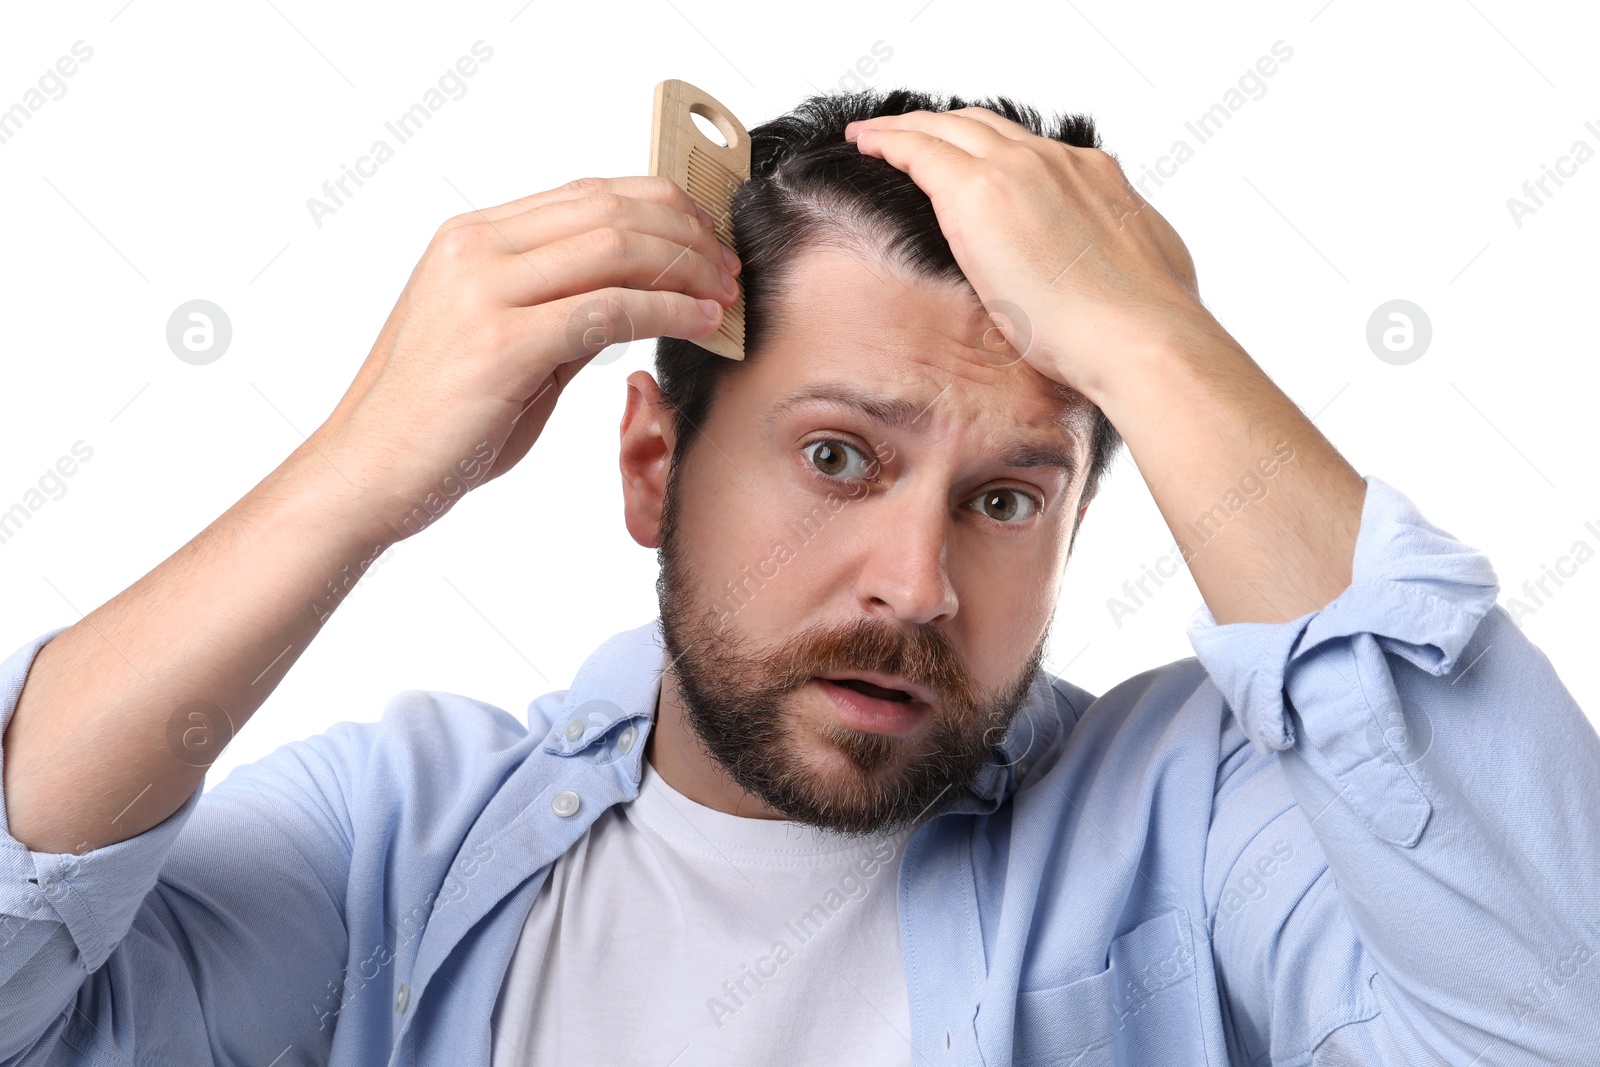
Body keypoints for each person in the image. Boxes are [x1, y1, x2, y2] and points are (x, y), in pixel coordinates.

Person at [2, 88, 1596, 1067]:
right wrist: (348, 477)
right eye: (838, 457)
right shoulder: (400, 841)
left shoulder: (1187, 819)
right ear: (654, 465)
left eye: (1006, 496)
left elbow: (1553, 1019)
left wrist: (1157, 348)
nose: (916, 584)